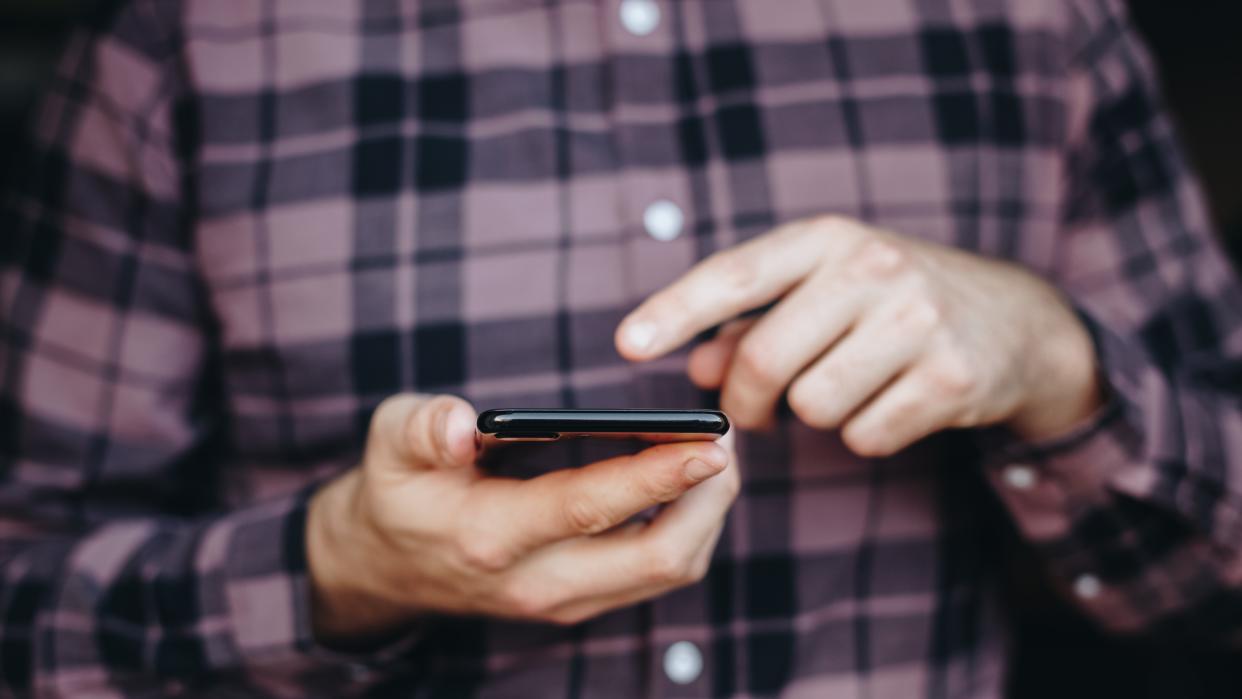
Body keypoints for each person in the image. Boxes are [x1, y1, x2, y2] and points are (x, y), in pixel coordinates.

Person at [2, 0, 1240, 696]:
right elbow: (23, 610)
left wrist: (1054, 359)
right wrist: (338, 567)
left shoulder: (1036, 26)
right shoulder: (188, 45)